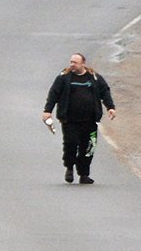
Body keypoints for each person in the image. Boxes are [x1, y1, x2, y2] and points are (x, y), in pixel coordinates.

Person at [42, 52, 116, 185]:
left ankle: (84, 174)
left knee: (88, 147)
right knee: (70, 144)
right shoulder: (63, 78)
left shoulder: (94, 78)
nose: (72, 65)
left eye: (75, 62)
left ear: (83, 64)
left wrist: (110, 107)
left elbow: (105, 91)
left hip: (90, 121)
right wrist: (47, 111)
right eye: (71, 62)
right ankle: (69, 167)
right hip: (70, 120)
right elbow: (54, 94)